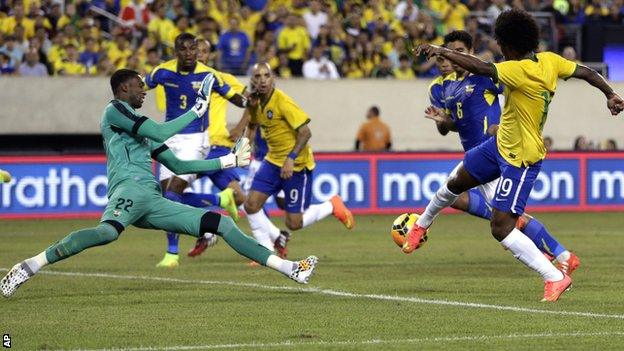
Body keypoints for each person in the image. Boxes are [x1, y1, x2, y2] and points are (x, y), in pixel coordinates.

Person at [0, 70, 318, 298]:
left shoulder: (140, 131)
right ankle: (29, 266)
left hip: (151, 198)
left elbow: (179, 165)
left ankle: (291, 269)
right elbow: (162, 132)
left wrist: (227, 162)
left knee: (221, 225)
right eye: (140, 87)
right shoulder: (114, 111)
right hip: (128, 189)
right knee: (106, 233)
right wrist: (196, 110)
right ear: (124, 88)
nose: (144, 91)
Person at [407, 9, 623, 302]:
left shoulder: (517, 70)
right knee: (456, 181)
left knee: (501, 227)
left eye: (499, 44)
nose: (498, 49)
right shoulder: (549, 60)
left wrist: (440, 50)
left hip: (520, 158)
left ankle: (555, 276)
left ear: (507, 45)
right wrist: (610, 93)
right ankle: (420, 224)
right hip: (497, 145)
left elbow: (482, 67)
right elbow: (587, 72)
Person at [424, 30, 579, 274]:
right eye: (444, 58)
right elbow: (450, 127)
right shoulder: (441, 88)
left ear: (470, 53)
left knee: (502, 218)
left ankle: (562, 255)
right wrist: (444, 121)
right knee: (459, 198)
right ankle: (561, 255)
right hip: (477, 156)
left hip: (498, 153)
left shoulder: (484, 76)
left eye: (457, 54)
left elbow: (515, 93)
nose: (447, 61)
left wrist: (506, 126)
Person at [144, 33, 249, 268]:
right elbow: (141, 86)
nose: (189, 54)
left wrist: (249, 101)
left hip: (196, 139)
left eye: (193, 49)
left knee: (173, 192)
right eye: (184, 49)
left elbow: (233, 96)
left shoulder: (208, 75)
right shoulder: (162, 71)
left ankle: (172, 253)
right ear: (176, 51)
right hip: (169, 136)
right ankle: (219, 198)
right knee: (165, 198)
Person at [242, 63, 355, 254]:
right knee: (250, 205)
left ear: (273, 78)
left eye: (266, 76)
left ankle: (331, 205)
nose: (262, 80)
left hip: (296, 164)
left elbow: (305, 132)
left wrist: (291, 158)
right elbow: (252, 126)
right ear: (252, 80)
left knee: (294, 223)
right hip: (272, 161)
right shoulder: (255, 103)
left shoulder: (283, 102)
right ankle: (265, 250)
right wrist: (243, 150)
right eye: (258, 76)